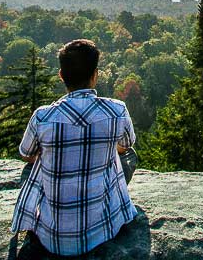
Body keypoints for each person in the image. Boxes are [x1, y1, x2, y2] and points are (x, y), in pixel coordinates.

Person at [10, 39, 139, 257]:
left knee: (30, 169)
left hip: (52, 237)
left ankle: (36, 212)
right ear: (95, 74)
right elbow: (125, 146)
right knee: (129, 156)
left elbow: (26, 154)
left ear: (61, 75)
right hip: (102, 230)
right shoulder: (117, 110)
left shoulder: (43, 116)